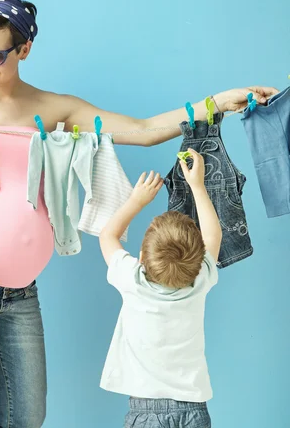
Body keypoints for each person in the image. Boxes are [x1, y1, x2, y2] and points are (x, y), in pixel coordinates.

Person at [0, 0, 277, 428]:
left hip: (20, 290)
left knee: (26, 417)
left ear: (24, 48)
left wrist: (216, 102)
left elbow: (142, 131)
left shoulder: (53, 109)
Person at [98, 149, 220, 428]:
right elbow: (214, 234)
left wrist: (136, 200)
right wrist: (197, 186)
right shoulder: (200, 280)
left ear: (141, 259)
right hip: (194, 410)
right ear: (198, 261)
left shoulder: (132, 280)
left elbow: (108, 235)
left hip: (144, 412)